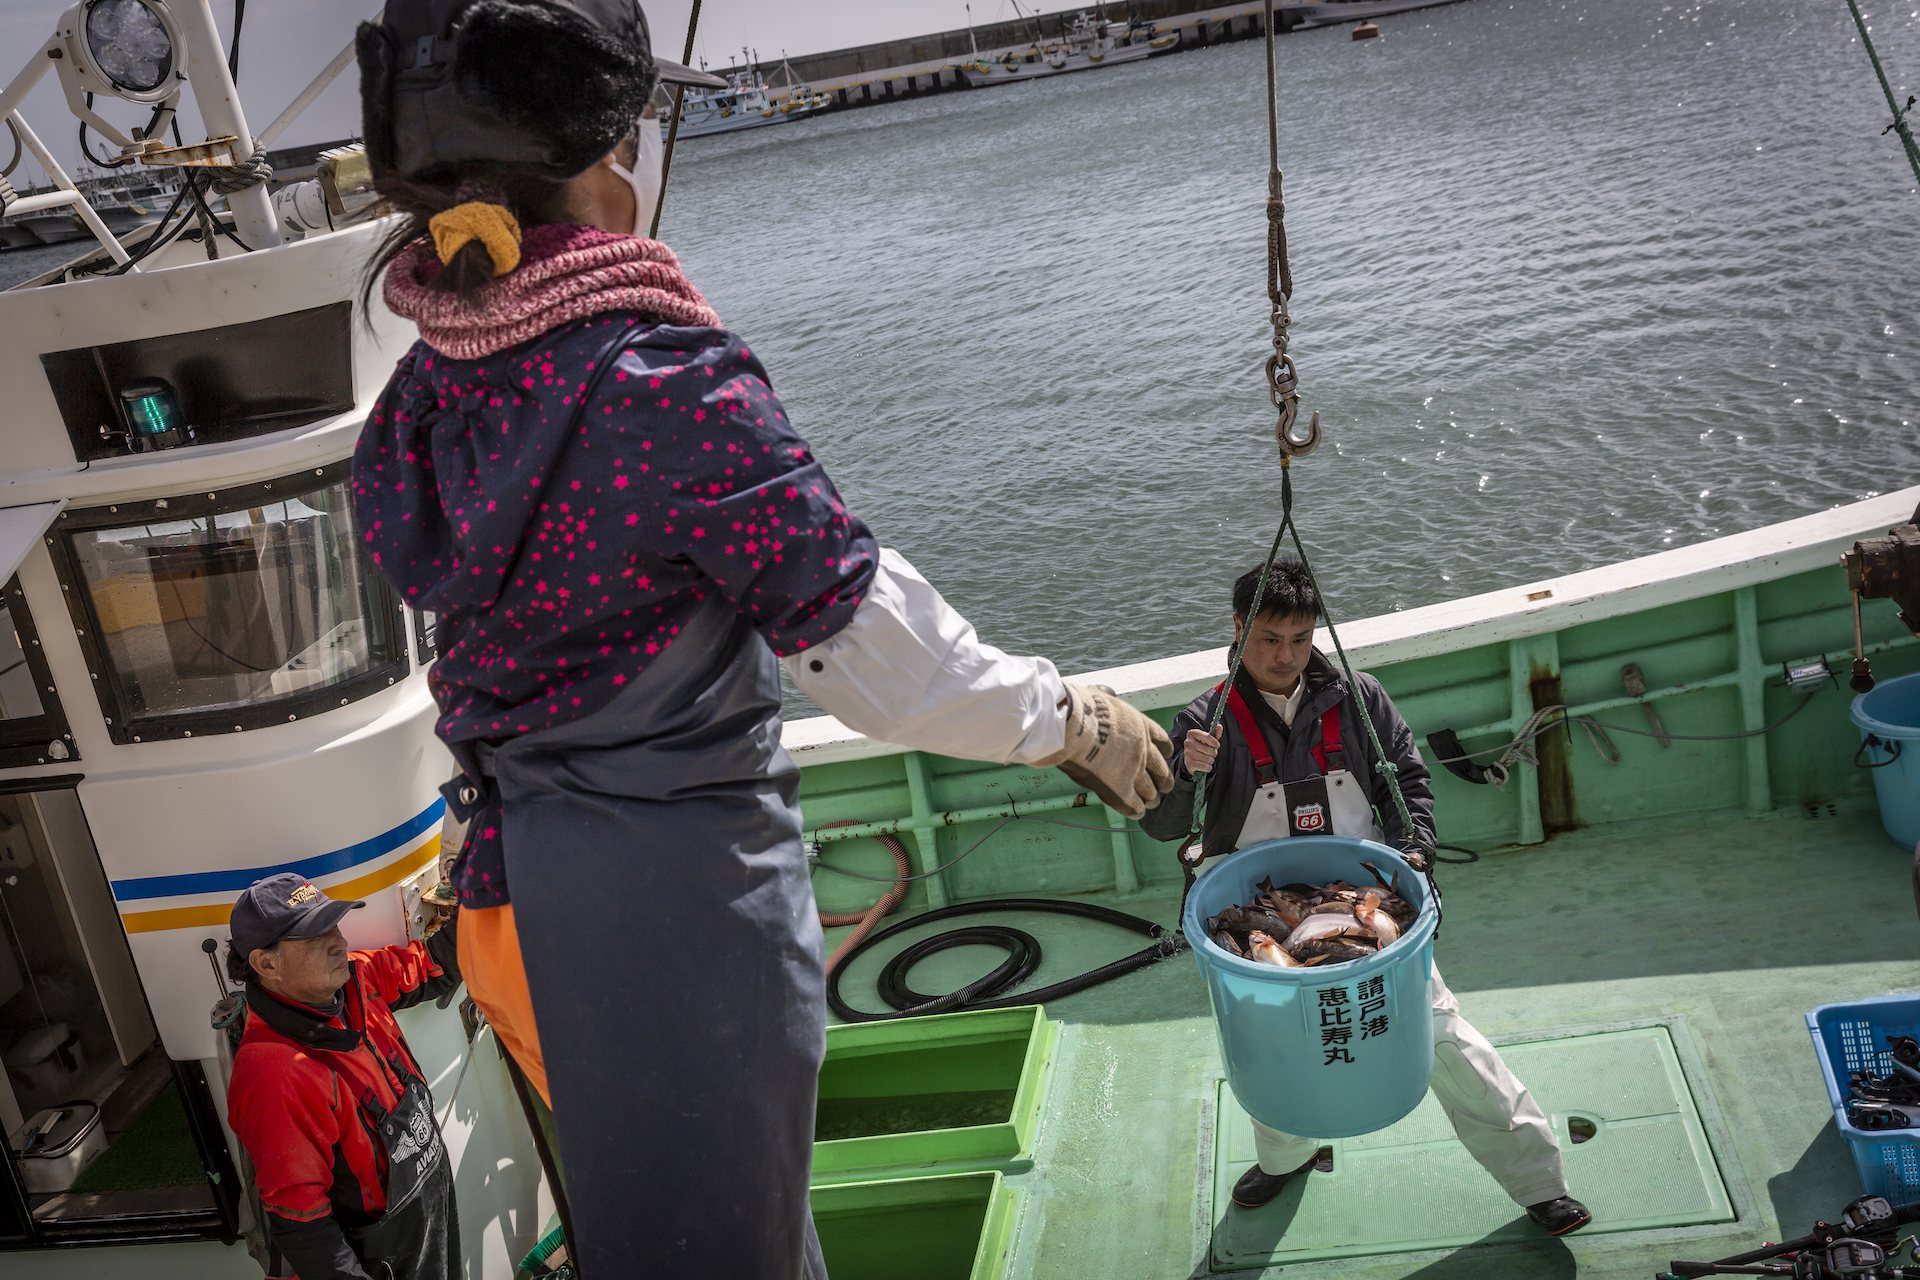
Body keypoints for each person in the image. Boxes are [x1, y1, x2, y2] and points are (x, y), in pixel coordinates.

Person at [348, 2, 1175, 1275]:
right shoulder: (665, 392)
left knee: (672, 1226)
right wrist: (1072, 719)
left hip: (518, 903)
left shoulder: (424, 397)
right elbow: (875, 653)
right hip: (674, 915)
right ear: (608, 169)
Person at [1138, 558, 1591, 1236]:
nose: (1285, 656)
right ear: (1237, 628)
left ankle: (1538, 1182)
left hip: (1362, 904)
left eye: (1299, 638)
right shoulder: (1205, 718)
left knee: (1444, 1037)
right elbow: (1166, 823)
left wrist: (1418, 847)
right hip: (1261, 918)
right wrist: (1182, 772)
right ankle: (1288, 1156)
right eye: (1268, 638)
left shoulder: (1359, 696)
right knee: (1271, 1050)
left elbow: (1405, 779)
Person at [224, 873, 463, 1280]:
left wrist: (483, 898)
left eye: (333, 924)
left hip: (433, 1231)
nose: (340, 941)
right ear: (266, 964)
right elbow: (305, 1230)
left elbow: (434, 965)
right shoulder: (272, 1075)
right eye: (316, 936)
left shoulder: (357, 978)